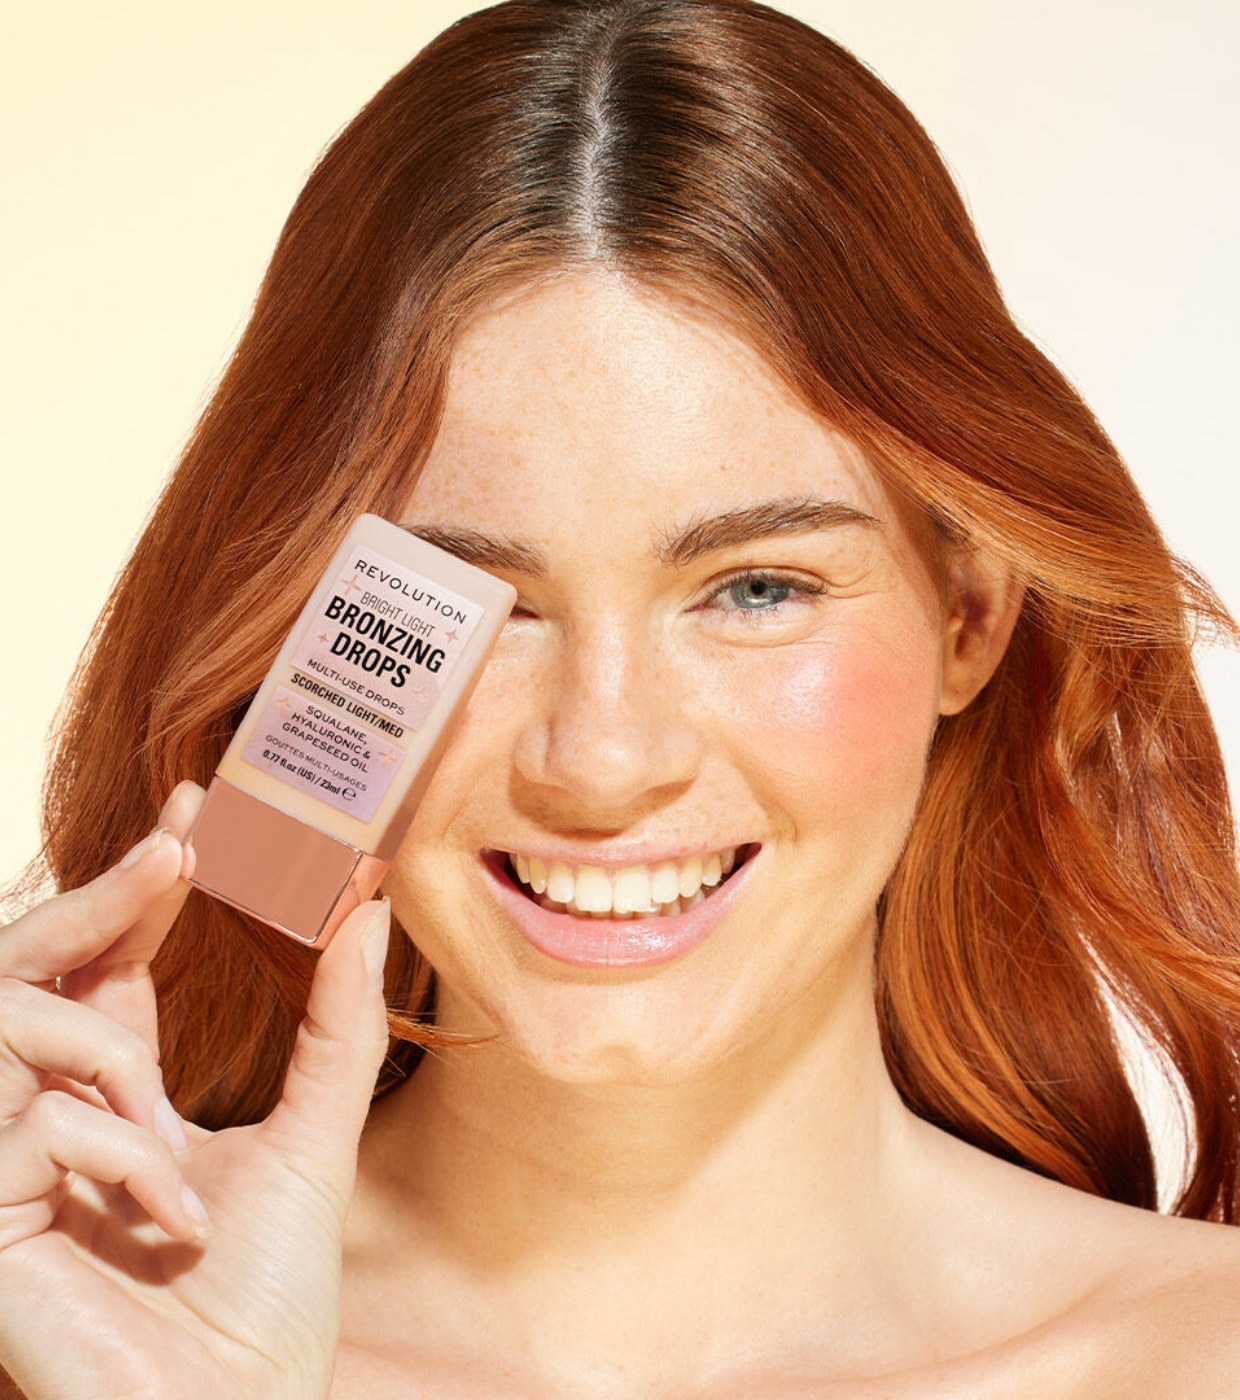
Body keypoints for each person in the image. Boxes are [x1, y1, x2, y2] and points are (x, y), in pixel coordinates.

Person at [2, 0, 1239, 1394]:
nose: (599, 761)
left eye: (757, 588)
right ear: (306, 644)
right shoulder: (78, 1328)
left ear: (969, 615)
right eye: (481, 604)